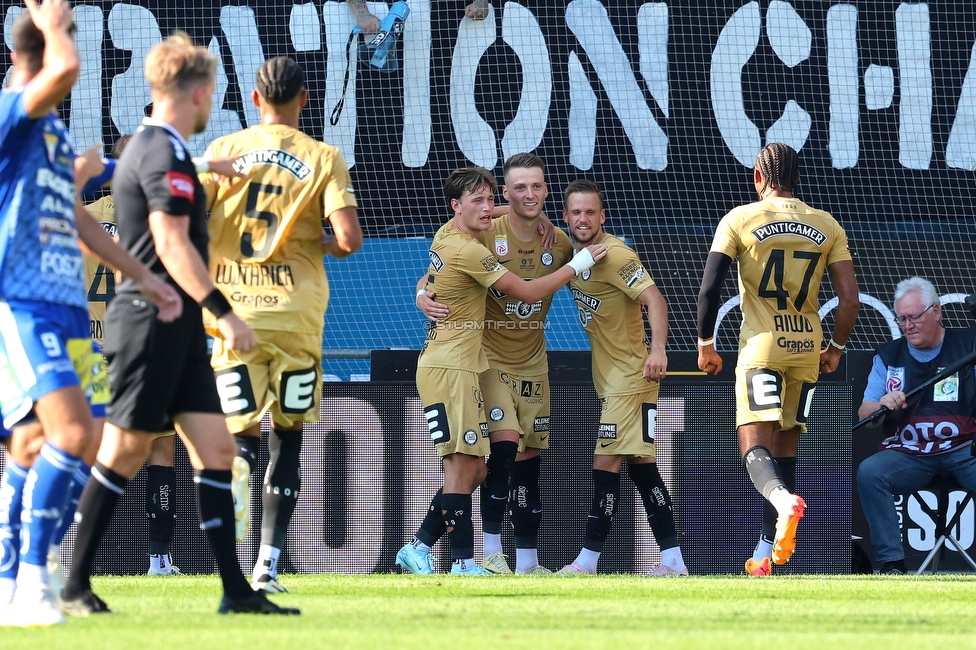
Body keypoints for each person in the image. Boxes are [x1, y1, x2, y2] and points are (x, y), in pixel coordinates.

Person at [58, 33, 298, 616]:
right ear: (197, 92)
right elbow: (169, 241)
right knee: (122, 453)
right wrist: (224, 312)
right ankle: (73, 584)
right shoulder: (162, 154)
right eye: (211, 91)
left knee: (215, 453)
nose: (211, 101)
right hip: (152, 321)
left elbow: (147, 168)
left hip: (176, 325)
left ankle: (237, 594)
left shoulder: (154, 147)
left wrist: (209, 162)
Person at [0, 0, 182, 626]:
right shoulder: (11, 113)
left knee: (55, 442)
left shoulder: (49, 133)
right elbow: (67, 68)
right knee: (71, 435)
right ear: (42, 58)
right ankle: (30, 580)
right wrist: (55, 27)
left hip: (70, 311)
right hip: (22, 304)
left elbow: (82, 222)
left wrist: (146, 278)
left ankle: (10, 576)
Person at [201, 56, 362, 593]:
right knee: (288, 439)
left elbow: (183, 215)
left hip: (232, 314)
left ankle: (233, 541)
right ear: (306, 98)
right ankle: (268, 563)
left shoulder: (223, 151)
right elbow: (348, 239)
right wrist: (308, 241)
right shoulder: (323, 156)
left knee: (241, 438)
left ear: (253, 99)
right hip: (296, 315)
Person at [396, 167, 605, 575]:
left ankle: (422, 546)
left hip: (474, 364)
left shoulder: (452, 233)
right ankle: (465, 561)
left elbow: (443, 265)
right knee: (467, 463)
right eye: (483, 200)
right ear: (457, 206)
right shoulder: (473, 244)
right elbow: (526, 290)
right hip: (457, 364)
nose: (489, 208)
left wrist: (533, 215)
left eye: (535, 189)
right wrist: (578, 263)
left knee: (476, 465)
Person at [697, 142, 859, 576]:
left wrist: (705, 344)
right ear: (798, 178)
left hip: (762, 345)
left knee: (754, 447)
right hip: (807, 346)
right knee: (786, 447)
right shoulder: (826, 224)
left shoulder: (740, 218)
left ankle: (784, 503)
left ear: (758, 176)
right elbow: (849, 300)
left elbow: (710, 289)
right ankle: (766, 555)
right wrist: (836, 349)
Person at [554, 180, 687, 577]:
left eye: (590, 212)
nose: (583, 219)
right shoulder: (570, 252)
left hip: (632, 376)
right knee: (643, 469)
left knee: (605, 462)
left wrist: (659, 349)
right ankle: (674, 562)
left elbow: (655, 300)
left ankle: (586, 562)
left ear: (602, 217)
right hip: (612, 379)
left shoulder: (614, 255)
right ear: (566, 216)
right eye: (576, 212)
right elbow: (531, 217)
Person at [856, 277, 976, 574]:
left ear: (936, 311)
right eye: (902, 319)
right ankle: (891, 564)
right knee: (871, 472)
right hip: (911, 455)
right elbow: (865, 414)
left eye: (914, 317)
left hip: (965, 450)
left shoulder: (968, 346)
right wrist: (883, 404)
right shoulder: (889, 355)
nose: (907, 325)